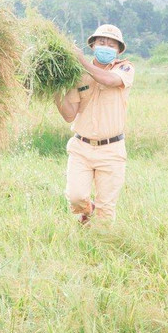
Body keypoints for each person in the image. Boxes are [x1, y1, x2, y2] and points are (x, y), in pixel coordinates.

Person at [55, 24, 134, 223]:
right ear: (92, 46)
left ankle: (102, 246)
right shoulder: (77, 75)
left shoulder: (123, 68)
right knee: (76, 197)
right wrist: (54, 90)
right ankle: (88, 210)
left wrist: (82, 61)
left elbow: (109, 81)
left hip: (112, 150)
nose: (106, 47)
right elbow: (69, 115)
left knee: (106, 209)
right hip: (81, 147)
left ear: (118, 50)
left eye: (111, 44)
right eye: (101, 42)